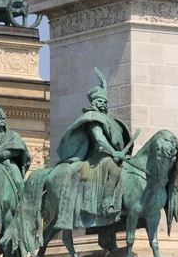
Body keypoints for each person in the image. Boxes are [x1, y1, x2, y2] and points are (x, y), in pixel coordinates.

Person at [55, 68, 131, 228]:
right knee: (114, 169)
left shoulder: (109, 120)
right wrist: (114, 151)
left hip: (113, 154)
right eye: (101, 102)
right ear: (94, 104)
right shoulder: (93, 118)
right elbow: (99, 138)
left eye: (105, 102)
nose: (104, 104)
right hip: (100, 155)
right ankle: (107, 203)